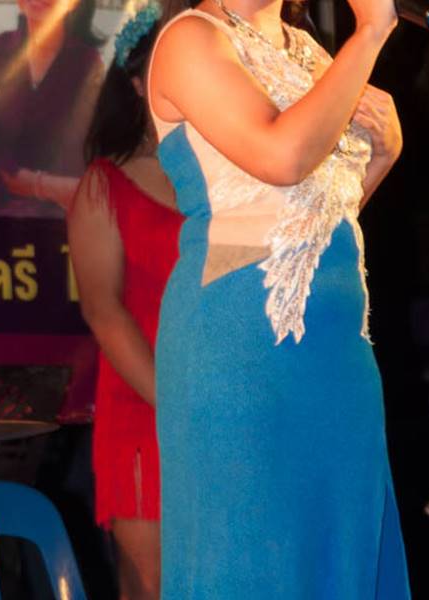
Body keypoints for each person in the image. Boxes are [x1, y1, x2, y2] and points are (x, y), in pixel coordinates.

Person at [147, 0, 408, 596]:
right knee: (253, 560)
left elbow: (314, 212)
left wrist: (384, 154)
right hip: (243, 342)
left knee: (339, 559)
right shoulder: (191, 38)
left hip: (337, 352)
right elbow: (282, 156)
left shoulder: (308, 52)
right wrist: (370, 32)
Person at [67, 5, 182, 598]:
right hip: (147, 409)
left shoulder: (230, 177)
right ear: (136, 83)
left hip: (225, 407)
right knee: (156, 586)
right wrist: (179, 403)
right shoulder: (104, 184)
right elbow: (102, 310)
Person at [0, 0, 104, 216]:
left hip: (66, 217)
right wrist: (49, 187)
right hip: (6, 214)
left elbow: (79, 160)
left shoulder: (88, 64)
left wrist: (35, 184)